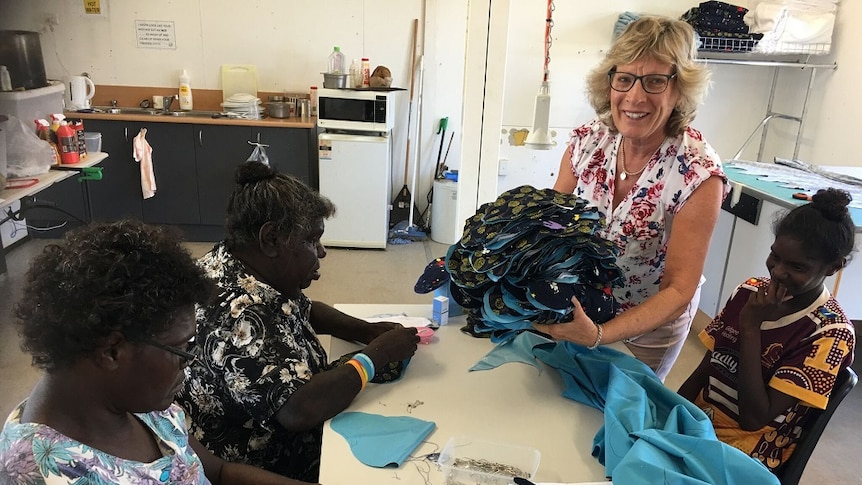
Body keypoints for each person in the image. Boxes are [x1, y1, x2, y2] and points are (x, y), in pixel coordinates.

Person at [0, 220, 315, 485]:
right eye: (180, 348)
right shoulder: (47, 472)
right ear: (111, 351)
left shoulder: (133, 398)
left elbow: (217, 472)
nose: (189, 362)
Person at [177, 161, 419, 483]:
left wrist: (367, 330)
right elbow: (299, 409)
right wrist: (377, 355)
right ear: (271, 239)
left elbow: (304, 309)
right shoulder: (236, 314)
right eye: (312, 240)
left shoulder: (240, 263)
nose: (321, 251)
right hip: (263, 466)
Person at [535, 15, 729, 380]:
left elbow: (678, 289)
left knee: (620, 414)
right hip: (583, 304)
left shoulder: (697, 173)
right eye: (624, 79)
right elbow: (548, 221)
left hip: (647, 326)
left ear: (679, 90)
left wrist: (601, 335)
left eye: (655, 81)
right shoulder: (589, 141)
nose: (635, 97)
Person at [678, 188, 855, 474]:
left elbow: (753, 419)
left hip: (748, 453)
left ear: (833, 267)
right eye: (775, 256)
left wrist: (751, 329)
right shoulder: (749, 290)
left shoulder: (831, 334)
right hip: (700, 423)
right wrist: (669, 412)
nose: (778, 272)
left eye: (796, 266)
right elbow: (705, 370)